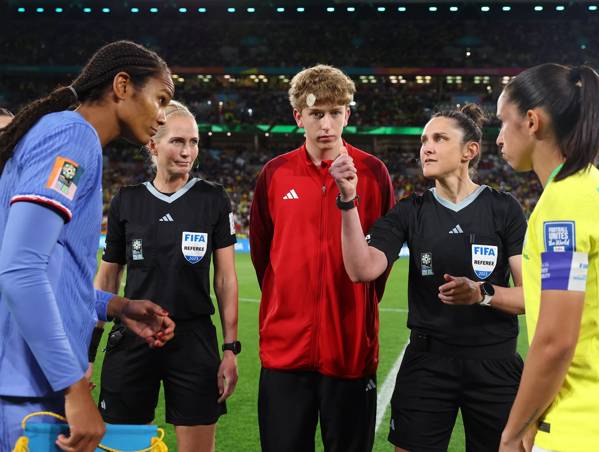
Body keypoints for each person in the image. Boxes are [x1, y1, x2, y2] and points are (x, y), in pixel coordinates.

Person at [0, 40, 175, 452]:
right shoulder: (72, 136)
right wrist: (73, 386)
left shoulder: (60, 134)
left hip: (24, 384)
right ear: (122, 85)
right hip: (27, 391)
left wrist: (116, 306)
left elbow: (46, 269)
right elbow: (20, 269)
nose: (162, 116)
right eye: (161, 98)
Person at [330, 103, 527, 451]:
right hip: (428, 364)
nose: (426, 147)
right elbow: (362, 269)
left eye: (439, 138)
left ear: (470, 151)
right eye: (423, 140)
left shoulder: (503, 208)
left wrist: (481, 293)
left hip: (494, 364)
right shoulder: (410, 210)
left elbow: (531, 296)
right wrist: (348, 201)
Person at [495, 63, 599, 452]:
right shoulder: (598, 186)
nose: (499, 138)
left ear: (532, 122)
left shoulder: (563, 206)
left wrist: (514, 429)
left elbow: (555, 340)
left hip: (588, 427)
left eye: (503, 122)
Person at [249, 64, 395, 452]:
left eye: (335, 112)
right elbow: (263, 257)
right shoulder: (274, 173)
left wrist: (356, 312)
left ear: (348, 114)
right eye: (316, 114)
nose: (326, 124)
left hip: (349, 351)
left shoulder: (374, 173)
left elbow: (381, 261)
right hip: (285, 351)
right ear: (299, 117)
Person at [95, 100, 238, 452]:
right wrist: (87, 352)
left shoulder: (213, 199)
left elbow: (225, 280)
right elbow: (108, 279)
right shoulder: (126, 201)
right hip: (132, 336)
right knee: (123, 446)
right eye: (178, 141)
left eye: (194, 142)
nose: (188, 151)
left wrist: (231, 349)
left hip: (194, 339)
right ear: (153, 145)